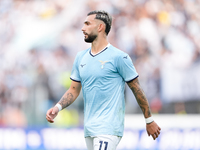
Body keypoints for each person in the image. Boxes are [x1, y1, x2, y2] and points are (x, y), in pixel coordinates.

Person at [46, 10, 161, 150]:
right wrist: (58, 107)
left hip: (109, 128)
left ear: (100, 27)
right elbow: (73, 90)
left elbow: (136, 89)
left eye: (88, 24)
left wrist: (149, 120)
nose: (83, 28)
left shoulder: (119, 57)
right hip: (89, 128)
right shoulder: (80, 57)